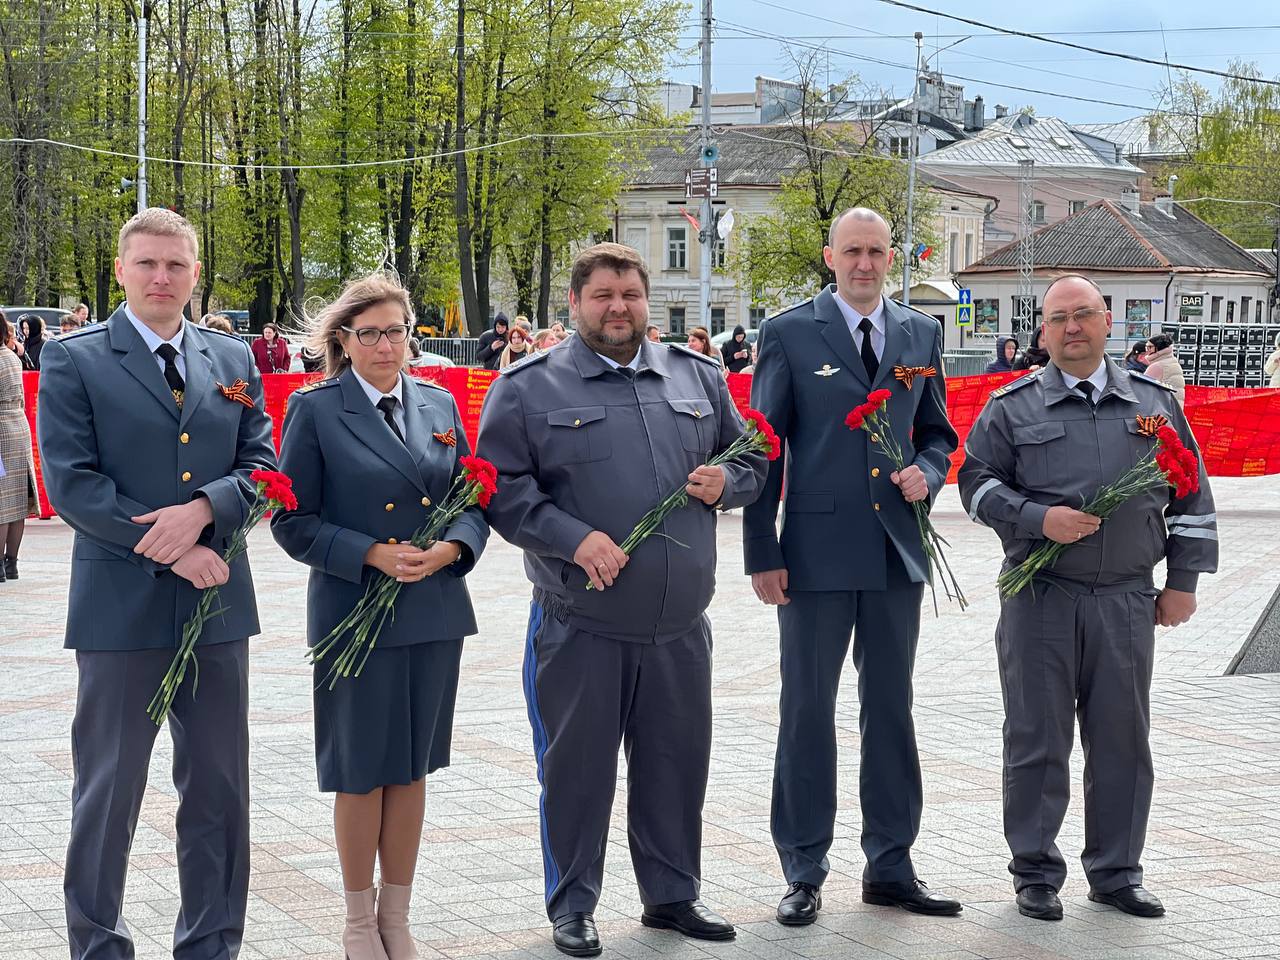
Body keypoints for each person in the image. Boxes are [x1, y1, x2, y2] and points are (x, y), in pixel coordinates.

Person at [477, 242, 767, 958]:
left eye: (630, 295)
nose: (618, 307)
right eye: (602, 295)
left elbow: (753, 457)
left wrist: (726, 485)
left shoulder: (698, 377)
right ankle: (573, 905)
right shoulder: (528, 387)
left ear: (646, 301)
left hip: (679, 630)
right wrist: (572, 540)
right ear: (575, 305)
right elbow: (500, 490)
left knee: (675, 765)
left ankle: (671, 896)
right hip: (582, 627)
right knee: (577, 774)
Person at [36, 208, 276, 960]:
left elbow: (264, 470)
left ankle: (211, 942)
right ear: (120, 270)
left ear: (196, 274)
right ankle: (98, 943)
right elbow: (72, 484)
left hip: (218, 605)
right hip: (120, 608)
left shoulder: (232, 360)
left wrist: (209, 507)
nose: (161, 277)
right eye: (146, 264)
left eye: (175, 265)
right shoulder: (76, 360)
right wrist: (170, 547)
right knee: (108, 791)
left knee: (219, 791)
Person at [958, 274, 1217, 923]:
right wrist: (1034, 519)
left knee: (1123, 740)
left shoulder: (1155, 405)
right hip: (1040, 599)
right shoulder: (1011, 407)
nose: (1072, 327)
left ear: (1107, 323)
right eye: (1058, 318)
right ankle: (1036, 873)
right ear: (1043, 331)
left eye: (1084, 315)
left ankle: (1117, 871)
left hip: (1126, 601)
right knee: (1036, 739)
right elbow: (974, 486)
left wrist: (1182, 581)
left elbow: (1192, 497)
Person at [744, 207, 961, 926]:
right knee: (807, 711)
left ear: (890, 257)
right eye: (852, 252)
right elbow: (763, 446)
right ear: (830, 256)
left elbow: (938, 432)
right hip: (813, 556)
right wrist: (761, 550)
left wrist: (929, 471)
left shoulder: (920, 332)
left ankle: (891, 865)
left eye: (876, 252)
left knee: (890, 713)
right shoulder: (787, 332)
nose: (865, 264)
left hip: (897, 553)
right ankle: (803, 868)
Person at [272, 272, 488, 960]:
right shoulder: (316, 409)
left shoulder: (438, 402)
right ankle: (359, 922)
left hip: (432, 607)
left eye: (397, 331)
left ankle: (397, 916)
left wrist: (453, 547)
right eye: (370, 334)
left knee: (411, 768)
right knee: (360, 768)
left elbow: (473, 499)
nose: (387, 345)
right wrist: (368, 553)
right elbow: (291, 520)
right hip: (352, 610)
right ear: (343, 340)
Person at [0, 311, 34, 582]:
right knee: (17, 501)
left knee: (1, 503)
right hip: (18, 426)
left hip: (0, 428)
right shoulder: (11, 356)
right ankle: (12, 563)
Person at [1141, 333, 1186, 404]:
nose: (1147, 350)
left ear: (1158, 347)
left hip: (1163, 410)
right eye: (1146, 347)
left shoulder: (1157, 366)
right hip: (1175, 410)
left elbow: (1142, 388)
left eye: (1150, 347)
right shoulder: (1172, 361)